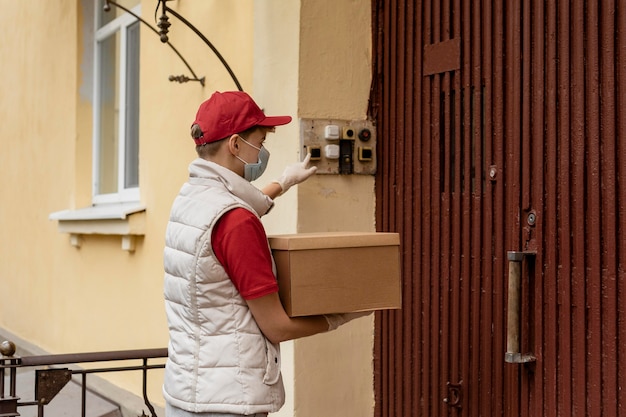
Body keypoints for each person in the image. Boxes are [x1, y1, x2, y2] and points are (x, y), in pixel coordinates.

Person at [162, 91, 369, 417]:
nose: (263, 151)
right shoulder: (236, 222)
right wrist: (340, 316)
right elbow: (277, 327)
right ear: (235, 145)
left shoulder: (190, 200)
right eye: (259, 141)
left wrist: (283, 183)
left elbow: (233, 210)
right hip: (229, 403)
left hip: (187, 391)